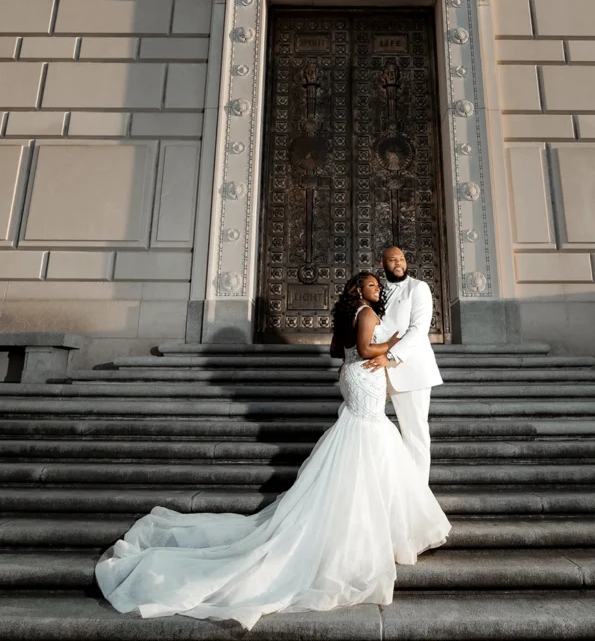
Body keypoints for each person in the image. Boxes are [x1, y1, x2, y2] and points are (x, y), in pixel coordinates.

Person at [95, 271, 450, 629]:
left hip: (354, 378)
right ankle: (368, 537)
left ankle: (370, 529)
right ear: (358, 289)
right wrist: (390, 345)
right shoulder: (367, 313)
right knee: (372, 439)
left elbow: (336, 351)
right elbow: (364, 350)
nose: (378, 289)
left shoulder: (349, 313)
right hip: (367, 376)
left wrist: (359, 361)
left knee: (365, 440)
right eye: (372, 284)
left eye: (377, 285)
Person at [362, 247, 443, 483]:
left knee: (414, 433)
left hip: (410, 369)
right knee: (358, 422)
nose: (398, 263)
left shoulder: (418, 288)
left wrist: (391, 357)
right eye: (392, 260)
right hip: (376, 369)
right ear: (383, 263)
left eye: (402, 259)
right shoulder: (377, 290)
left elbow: (418, 329)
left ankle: (419, 494)